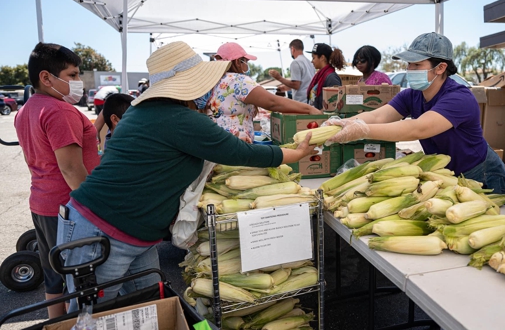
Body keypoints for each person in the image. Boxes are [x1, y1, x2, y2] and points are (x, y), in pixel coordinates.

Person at [56, 41, 317, 310]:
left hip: (132, 234)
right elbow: (240, 153)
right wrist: (295, 155)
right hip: (103, 232)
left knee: (147, 310)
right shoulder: (179, 119)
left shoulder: (140, 111)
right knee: (91, 319)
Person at [323, 32, 505, 194]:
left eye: (417, 65)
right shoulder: (412, 95)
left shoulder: (459, 98)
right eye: (409, 65)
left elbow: (417, 129)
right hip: (445, 173)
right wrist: (343, 123)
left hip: (481, 173)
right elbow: (379, 116)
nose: (410, 70)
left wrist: (362, 131)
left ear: (440, 68)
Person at [14, 42, 101, 318]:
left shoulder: (27, 109)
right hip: (69, 208)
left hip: (42, 203)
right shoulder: (59, 111)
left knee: (55, 277)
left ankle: (56, 324)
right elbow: (72, 170)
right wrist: (99, 208)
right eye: (72, 75)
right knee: (81, 280)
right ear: (46, 77)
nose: (78, 82)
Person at [201, 42, 320, 141]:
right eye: (245, 61)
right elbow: (273, 102)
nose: (246, 65)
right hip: (236, 146)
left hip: (217, 143)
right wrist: (308, 109)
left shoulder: (212, 81)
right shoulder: (239, 81)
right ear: (237, 62)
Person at [268, 39, 315, 104]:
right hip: (311, 100)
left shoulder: (295, 62)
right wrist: (286, 88)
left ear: (292, 49)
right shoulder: (310, 63)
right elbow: (304, 83)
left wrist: (279, 78)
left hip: (301, 102)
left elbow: (296, 85)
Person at [306, 43, 345, 110]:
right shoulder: (320, 75)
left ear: (322, 58)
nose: (311, 61)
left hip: (324, 119)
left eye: (313, 58)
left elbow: (334, 105)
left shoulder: (331, 78)